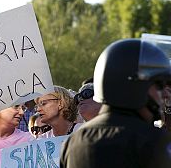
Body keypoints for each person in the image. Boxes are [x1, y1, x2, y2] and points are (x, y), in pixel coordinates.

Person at [60, 39, 171, 168]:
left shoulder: (72, 143)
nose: (166, 93)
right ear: (133, 85)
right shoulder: (154, 141)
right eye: (159, 85)